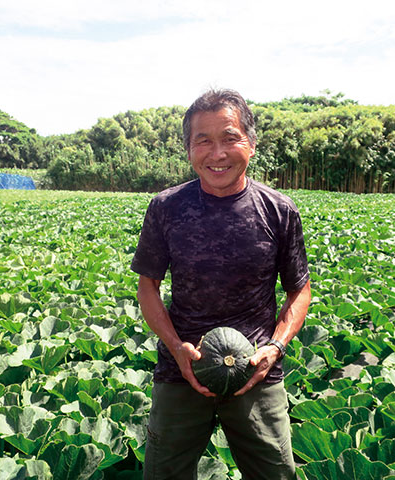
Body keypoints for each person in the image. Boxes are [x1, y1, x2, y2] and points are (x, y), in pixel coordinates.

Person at [131, 88, 311, 479]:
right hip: (181, 370)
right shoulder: (166, 208)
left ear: (251, 142)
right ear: (188, 149)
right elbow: (148, 286)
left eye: (230, 138)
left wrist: (275, 349)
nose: (217, 154)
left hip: (256, 372)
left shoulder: (278, 211)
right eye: (204, 141)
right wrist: (177, 348)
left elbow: (300, 289)